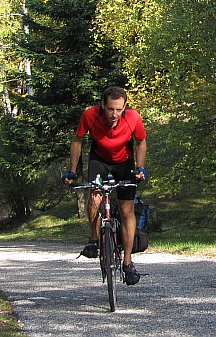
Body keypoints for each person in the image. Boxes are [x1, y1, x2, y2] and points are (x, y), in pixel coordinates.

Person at [63, 86, 147, 286]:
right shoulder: (91, 115)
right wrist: (72, 171)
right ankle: (94, 240)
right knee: (95, 197)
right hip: (99, 160)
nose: (114, 114)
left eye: (119, 110)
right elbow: (78, 141)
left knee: (127, 211)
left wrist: (140, 167)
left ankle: (127, 262)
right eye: (110, 109)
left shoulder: (133, 117)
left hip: (124, 162)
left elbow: (141, 142)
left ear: (124, 107)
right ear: (103, 105)